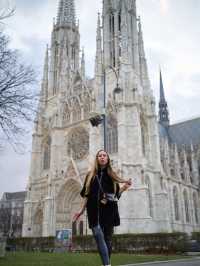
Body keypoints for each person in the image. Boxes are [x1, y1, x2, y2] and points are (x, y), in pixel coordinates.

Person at [73, 150, 132, 266]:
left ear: (107, 159)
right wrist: (81, 210)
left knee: (108, 239)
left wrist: (124, 188)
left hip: (109, 209)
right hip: (94, 210)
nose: (102, 157)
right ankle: (107, 265)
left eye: (104, 155)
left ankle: (106, 263)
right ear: (97, 159)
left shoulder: (112, 176)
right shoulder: (90, 175)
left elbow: (114, 196)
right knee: (98, 236)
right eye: (100, 155)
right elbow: (86, 195)